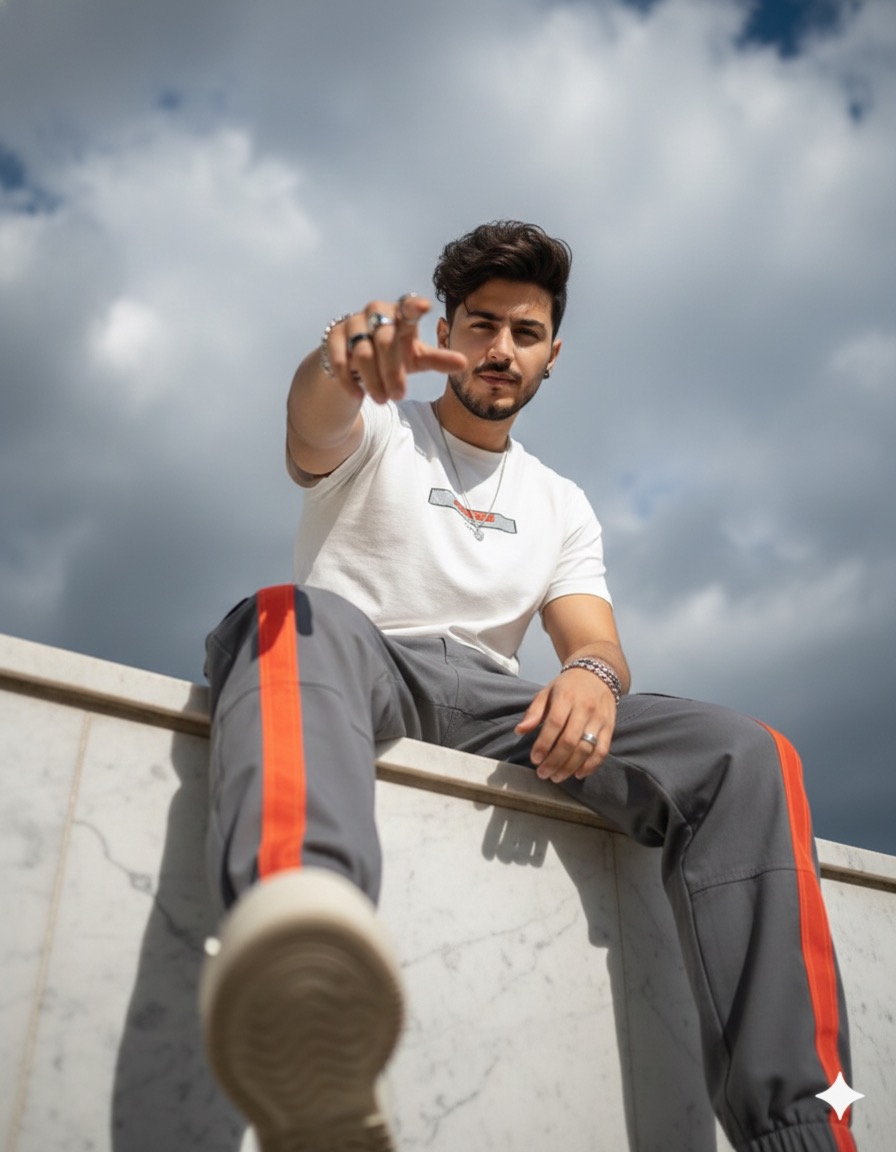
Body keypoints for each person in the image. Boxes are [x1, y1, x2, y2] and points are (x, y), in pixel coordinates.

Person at [199, 221, 857, 1152]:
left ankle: (802, 1128)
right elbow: (313, 423)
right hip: (358, 660)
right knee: (282, 614)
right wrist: (337, 363)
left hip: (500, 706)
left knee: (748, 754)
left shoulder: (561, 502)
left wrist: (591, 674)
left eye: (525, 332)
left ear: (554, 353)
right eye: (480, 325)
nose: (500, 349)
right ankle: (302, 951)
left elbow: (594, 638)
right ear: (448, 336)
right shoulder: (383, 427)